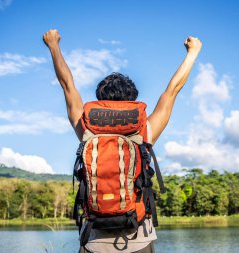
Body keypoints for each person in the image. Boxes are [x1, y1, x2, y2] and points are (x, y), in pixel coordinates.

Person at [43, 29, 202, 253]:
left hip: (94, 242)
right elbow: (172, 91)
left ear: (100, 101)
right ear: (131, 101)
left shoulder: (87, 129)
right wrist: (192, 53)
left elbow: (67, 85)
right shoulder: (144, 131)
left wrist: (53, 46)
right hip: (138, 240)